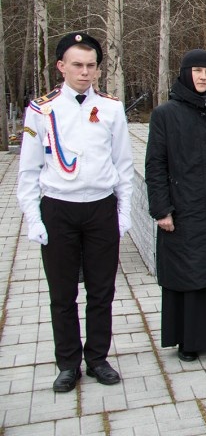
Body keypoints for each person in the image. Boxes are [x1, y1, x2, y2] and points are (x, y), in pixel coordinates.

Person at [17, 32, 134, 392]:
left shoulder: (112, 108)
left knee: (102, 291)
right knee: (62, 294)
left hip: (100, 208)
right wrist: (33, 217)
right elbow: (28, 170)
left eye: (91, 66)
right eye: (77, 65)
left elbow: (124, 164)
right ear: (61, 67)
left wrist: (124, 212)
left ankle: (97, 357)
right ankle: (68, 362)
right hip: (59, 209)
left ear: (98, 70)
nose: (84, 73)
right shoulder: (41, 110)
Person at [145, 49, 206, 361]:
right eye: (198, 71)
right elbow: (155, 166)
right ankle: (189, 341)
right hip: (185, 207)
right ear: (186, 73)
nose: (203, 77)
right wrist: (161, 210)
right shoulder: (165, 115)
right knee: (190, 272)